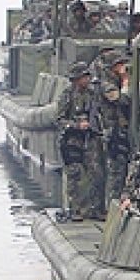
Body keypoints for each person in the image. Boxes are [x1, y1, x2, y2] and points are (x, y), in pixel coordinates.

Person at [56, 62, 103, 221]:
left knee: (95, 173)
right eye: (83, 77)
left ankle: (95, 208)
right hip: (73, 141)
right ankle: (75, 209)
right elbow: (59, 120)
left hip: (90, 140)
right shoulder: (67, 95)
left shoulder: (93, 94)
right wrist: (76, 125)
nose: (86, 80)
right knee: (75, 175)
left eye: (87, 77)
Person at [97, 53, 132, 204]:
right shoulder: (107, 85)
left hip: (121, 132)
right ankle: (110, 204)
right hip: (112, 133)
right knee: (115, 171)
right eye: (120, 65)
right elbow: (122, 100)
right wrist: (125, 81)